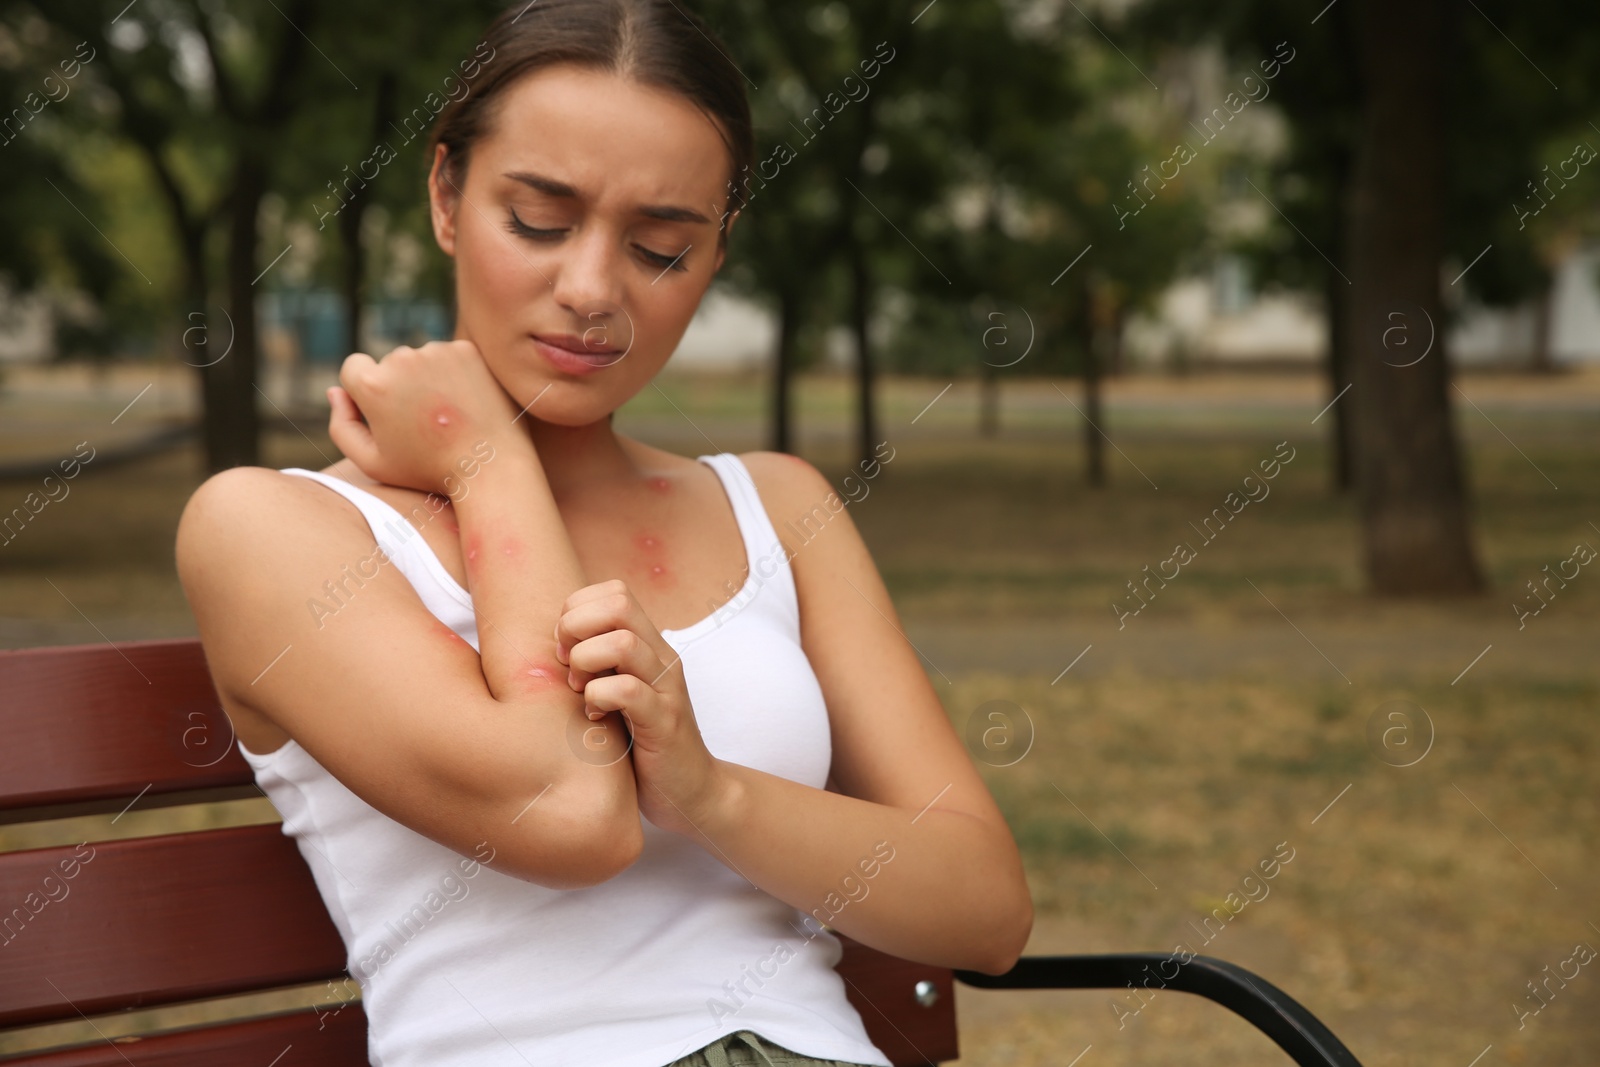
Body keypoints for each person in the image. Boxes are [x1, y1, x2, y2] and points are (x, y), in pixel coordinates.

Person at [175, 2, 1032, 1065]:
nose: (590, 291)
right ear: (445, 193)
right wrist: (484, 457)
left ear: (721, 245)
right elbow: (576, 814)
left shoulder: (779, 506)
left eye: (661, 246)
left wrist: (714, 795)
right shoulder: (272, 528)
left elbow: (985, 909)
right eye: (537, 221)